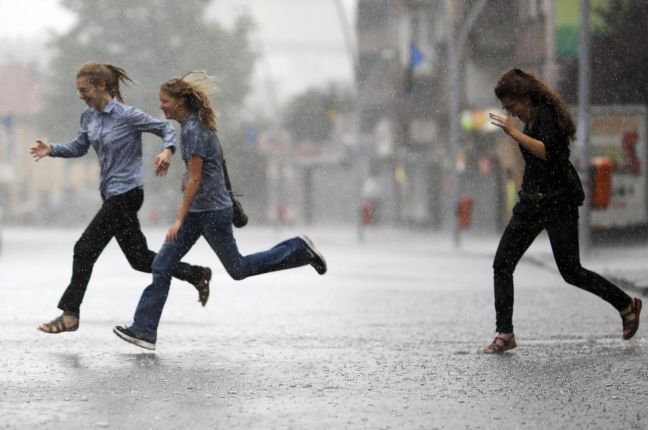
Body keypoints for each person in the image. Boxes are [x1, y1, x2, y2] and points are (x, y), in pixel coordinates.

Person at [113, 73, 327, 350]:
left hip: (211, 213)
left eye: (165, 101)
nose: (162, 106)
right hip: (202, 211)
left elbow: (196, 179)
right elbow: (198, 173)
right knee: (162, 264)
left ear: (180, 102)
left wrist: (178, 218)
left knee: (238, 268)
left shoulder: (193, 130)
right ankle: (144, 330)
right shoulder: (192, 127)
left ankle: (299, 249)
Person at [30, 62, 212, 334]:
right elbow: (80, 147)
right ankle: (195, 273)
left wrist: (167, 151)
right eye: (78, 91)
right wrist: (52, 149)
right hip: (112, 196)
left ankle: (70, 315)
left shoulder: (127, 115)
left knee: (84, 249)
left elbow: (166, 129)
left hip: (127, 194)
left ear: (101, 85)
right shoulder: (88, 117)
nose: (81, 95)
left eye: (85, 90)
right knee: (139, 259)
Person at [484, 68, 641, 353]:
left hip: (559, 201)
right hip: (532, 202)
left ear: (526, 98)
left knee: (571, 271)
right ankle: (505, 332)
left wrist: (513, 133)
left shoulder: (547, 115)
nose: (511, 112)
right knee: (502, 264)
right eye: (506, 109)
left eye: (512, 106)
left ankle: (626, 305)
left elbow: (548, 152)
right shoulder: (530, 118)